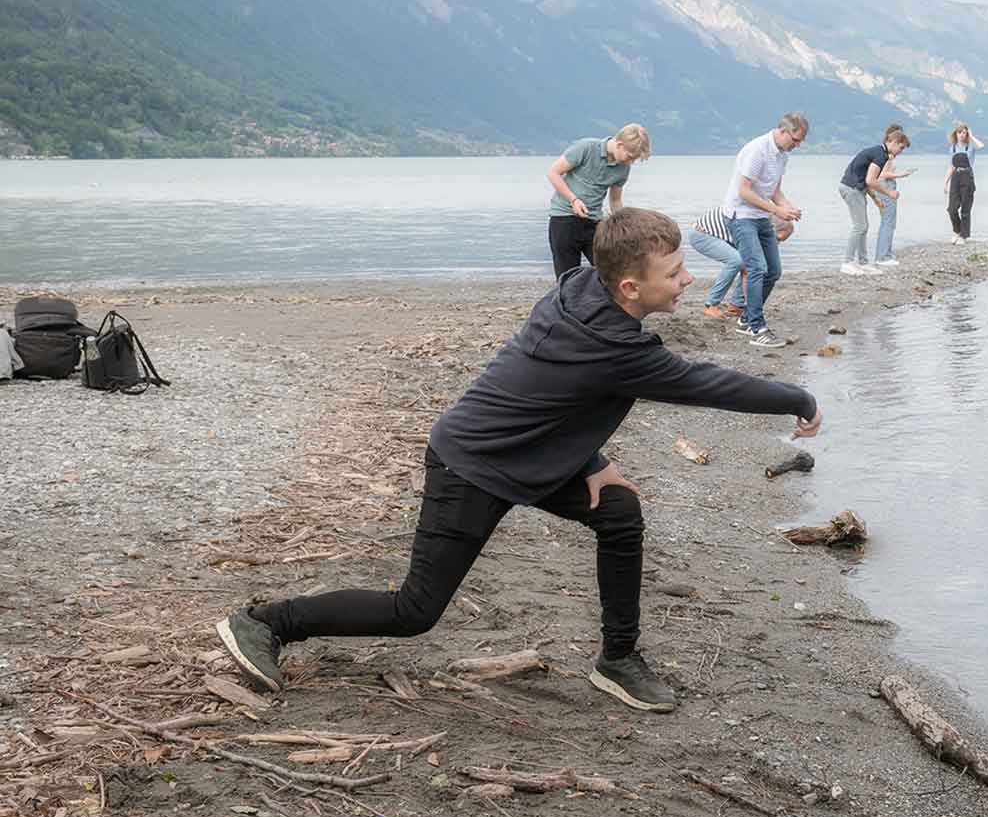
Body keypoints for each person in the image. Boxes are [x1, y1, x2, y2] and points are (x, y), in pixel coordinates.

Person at [214, 208, 823, 715]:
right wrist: (796, 397)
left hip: (533, 457)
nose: (687, 279)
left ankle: (617, 658)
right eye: (675, 271)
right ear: (630, 287)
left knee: (618, 511)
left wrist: (589, 461)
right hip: (472, 466)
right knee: (413, 613)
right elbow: (708, 384)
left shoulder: (582, 289)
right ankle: (268, 622)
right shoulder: (616, 347)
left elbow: (553, 399)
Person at [724, 112, 808, 348]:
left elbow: (774, 190)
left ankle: (745, 319)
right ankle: (757, 328)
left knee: (773, 271)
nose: (798, 145)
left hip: (760, 216)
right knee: (756, 268)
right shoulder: (757, 151)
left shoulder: (782, 155)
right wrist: (776, 211)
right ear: (783, 131)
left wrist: (788, 207)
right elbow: (744, 191)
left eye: (801, 141)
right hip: (740, 216)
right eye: (796, 139)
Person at [546, 124, 650, 279]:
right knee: (566, 278)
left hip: (594, 223)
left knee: (610, 272)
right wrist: (573, 200)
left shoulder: (623, 168)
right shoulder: (586, 148)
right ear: (619, 145)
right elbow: (553, 172)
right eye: (630, 157)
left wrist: (625, 226)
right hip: (563, 219)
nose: (631, 162)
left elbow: (615, 201)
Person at [687, 207, 791, 318]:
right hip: (702, 234)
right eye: (777, 239)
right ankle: (711, 305)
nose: (777, 244)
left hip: (724, 235)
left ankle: (736, 306)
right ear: (771, 228)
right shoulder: (752, 223)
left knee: (750, 263)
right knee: (736, 260)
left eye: (781, 241)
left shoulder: (761, 219)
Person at [838, 125, 911, 276]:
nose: (900, 151)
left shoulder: (879, 152)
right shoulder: (881, 155)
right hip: (851, 188)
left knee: (863, 226)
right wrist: (889, 192)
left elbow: (866, 179)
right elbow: (871, 180)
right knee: (860, 226)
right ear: (894, 142)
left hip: (856, 188)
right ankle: (847, 262)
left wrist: (876, 199)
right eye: (901, 147)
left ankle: (863, 263)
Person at [871, 143, 913, 267]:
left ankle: (885, 254)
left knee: (889, 222)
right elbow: (882, 174)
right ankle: (882, 257)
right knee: (888, 222)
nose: (901, 149)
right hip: (886, 187)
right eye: (901, 146)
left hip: (885, 187)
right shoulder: (887, 155)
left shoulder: (886, 154)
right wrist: (901, 174)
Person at [944, 122, 986, 243]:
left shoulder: (971, 147)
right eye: (959, 132)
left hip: (967, 178)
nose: (962, 135)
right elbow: (951, 167)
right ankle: (957, 231)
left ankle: (963, 236)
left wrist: (971, 137)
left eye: (964, 132)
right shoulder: (952, 148)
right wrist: (945, 183)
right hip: (955, 178)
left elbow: (981, 146)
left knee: (965, 210)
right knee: (951, 209)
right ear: (956, 134)